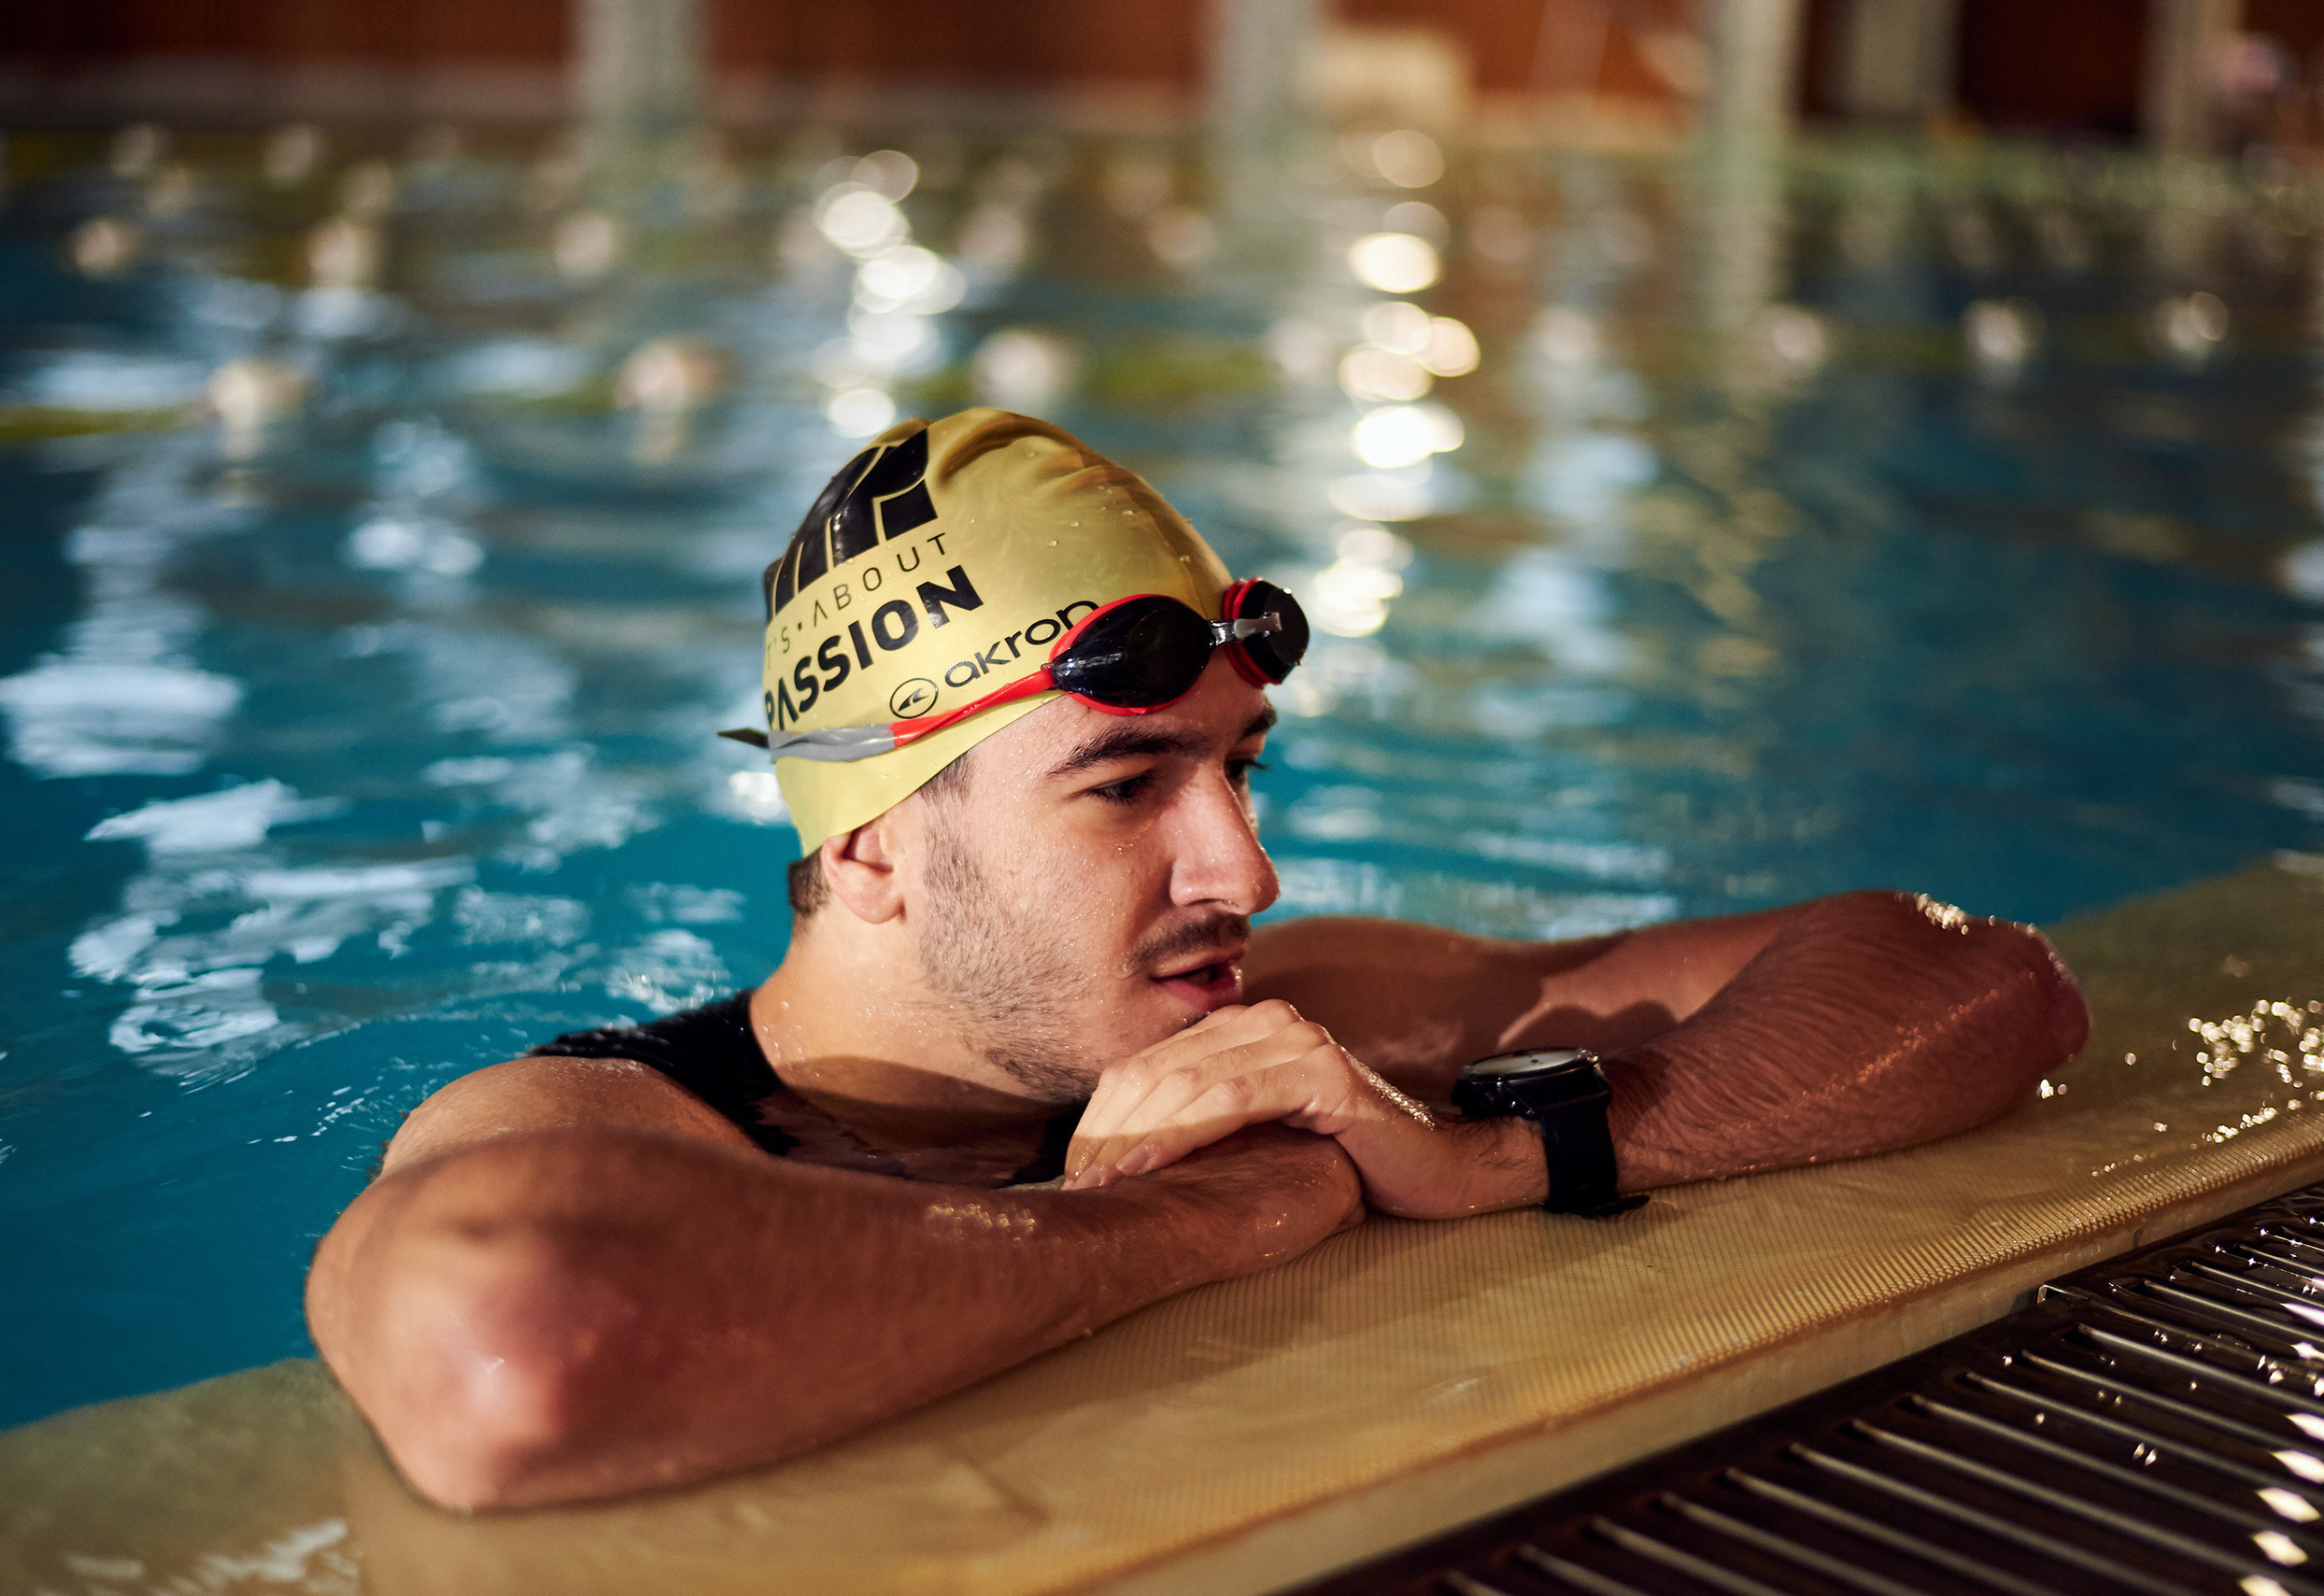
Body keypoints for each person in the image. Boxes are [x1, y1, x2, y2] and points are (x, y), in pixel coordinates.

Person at [305, 410, 2090, 1511]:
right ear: (869, 851)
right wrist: (1200, 1220)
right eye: (1126, 779)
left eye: (1238, 766)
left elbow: (1984, 974)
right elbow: (511, 1352)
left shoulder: (1324, 1022)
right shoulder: (611, 1125)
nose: (1247, 863)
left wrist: (1494, 1150)